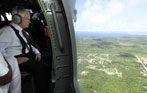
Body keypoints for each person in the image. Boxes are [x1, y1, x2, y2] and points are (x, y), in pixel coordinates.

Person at [0, 7, 49, 93]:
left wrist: (37, 52)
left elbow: (30, 44)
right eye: (27, 19)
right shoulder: (6, 31)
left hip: (28, 55)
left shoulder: (23, 32)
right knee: (42, 67)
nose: (30, 22)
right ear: (17, 19)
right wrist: (14, 61)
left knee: (49, 56)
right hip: (18, 59)